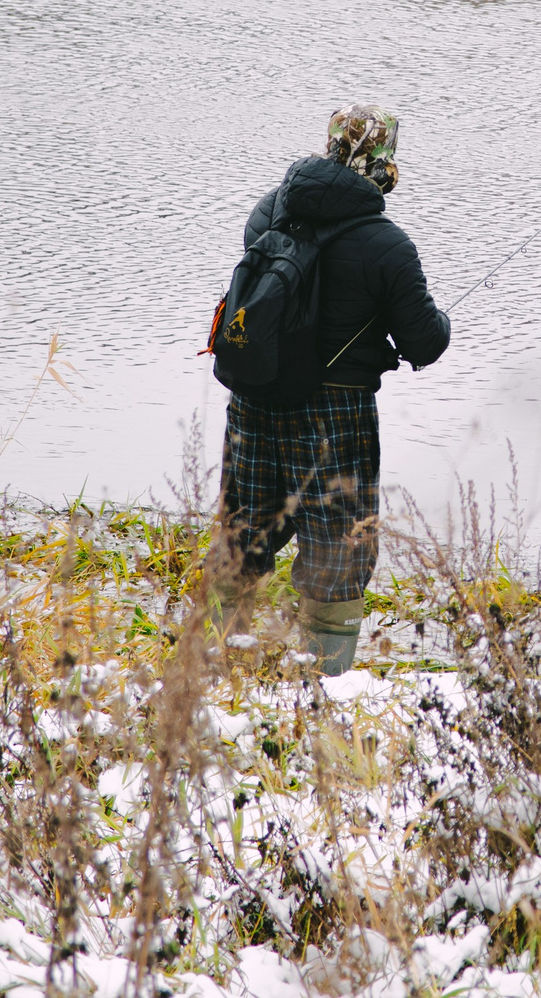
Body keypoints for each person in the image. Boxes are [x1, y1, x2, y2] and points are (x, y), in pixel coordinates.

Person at [212, 105, 449, 675]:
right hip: (332, 414)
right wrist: (439, 321)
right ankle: (321, 685)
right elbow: (425, 343)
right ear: (384, 162)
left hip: (253, 400)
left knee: (243, 532)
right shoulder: (386, 244)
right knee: (338, 551)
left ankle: (217, 673)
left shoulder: (268, 211)